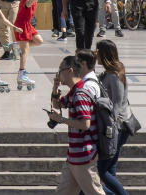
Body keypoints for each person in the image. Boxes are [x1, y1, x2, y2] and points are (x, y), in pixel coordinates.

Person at [46, 55, 104, 195]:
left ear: (70, 70)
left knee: (95, 192)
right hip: (74, 155)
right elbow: (58, 104)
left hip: (84, 155)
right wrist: (55, 88)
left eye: (60, 69)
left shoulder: (80, 94)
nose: (58, 73)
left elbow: (85, 124)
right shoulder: (74, 92)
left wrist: (61, 120)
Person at [95, 40, 137, 195]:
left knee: (101, 172)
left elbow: (118, 104)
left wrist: (111, 128)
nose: (95, 54)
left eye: (97, 51)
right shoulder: (109, 72)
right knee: (110, 170)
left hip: (117, 127)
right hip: (116, 127)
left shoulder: (114, 75)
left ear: (104, 53)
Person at [14, 0, 45, 90]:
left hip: (27, 25)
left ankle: (17, 46)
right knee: (25, 52)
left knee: (39, 40)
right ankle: (22, 74)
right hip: (21, 25)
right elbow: (27, 4)